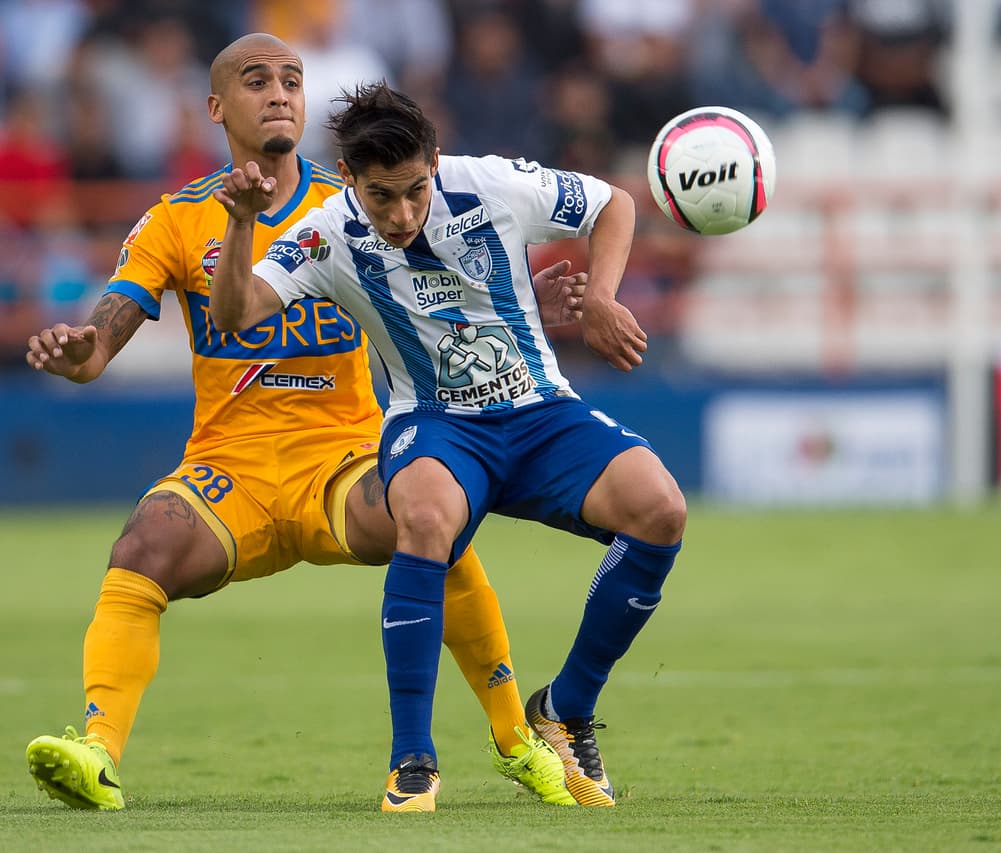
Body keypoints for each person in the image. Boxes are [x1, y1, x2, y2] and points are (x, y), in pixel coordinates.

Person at [22, 34, 589, 812]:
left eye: (292, 79)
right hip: (231, 471)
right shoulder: (177, 221)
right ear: (218, 107)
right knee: (142, 545)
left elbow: (453, 287)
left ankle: (515, 740)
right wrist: (79, 351)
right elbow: (97, 351)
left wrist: (523, 307)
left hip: (348, 455)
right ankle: (97, 749)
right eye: (258, 81)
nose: (281, 93)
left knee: (429, 516)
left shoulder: (360, 202)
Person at [210, 82, 686, 812]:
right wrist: (242, 226)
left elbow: (613, 203)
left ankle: (564, 707)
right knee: (426, 520)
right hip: (434, 424)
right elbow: (237, 315)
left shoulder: (492, 184)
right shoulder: (326, 233)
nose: (399, 214)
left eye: (412, 191)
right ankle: (413, 759)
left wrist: (600, 297)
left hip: (538, 414)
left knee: (661, 508)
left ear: (435, 160)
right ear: (348, 179)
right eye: (380, 197)